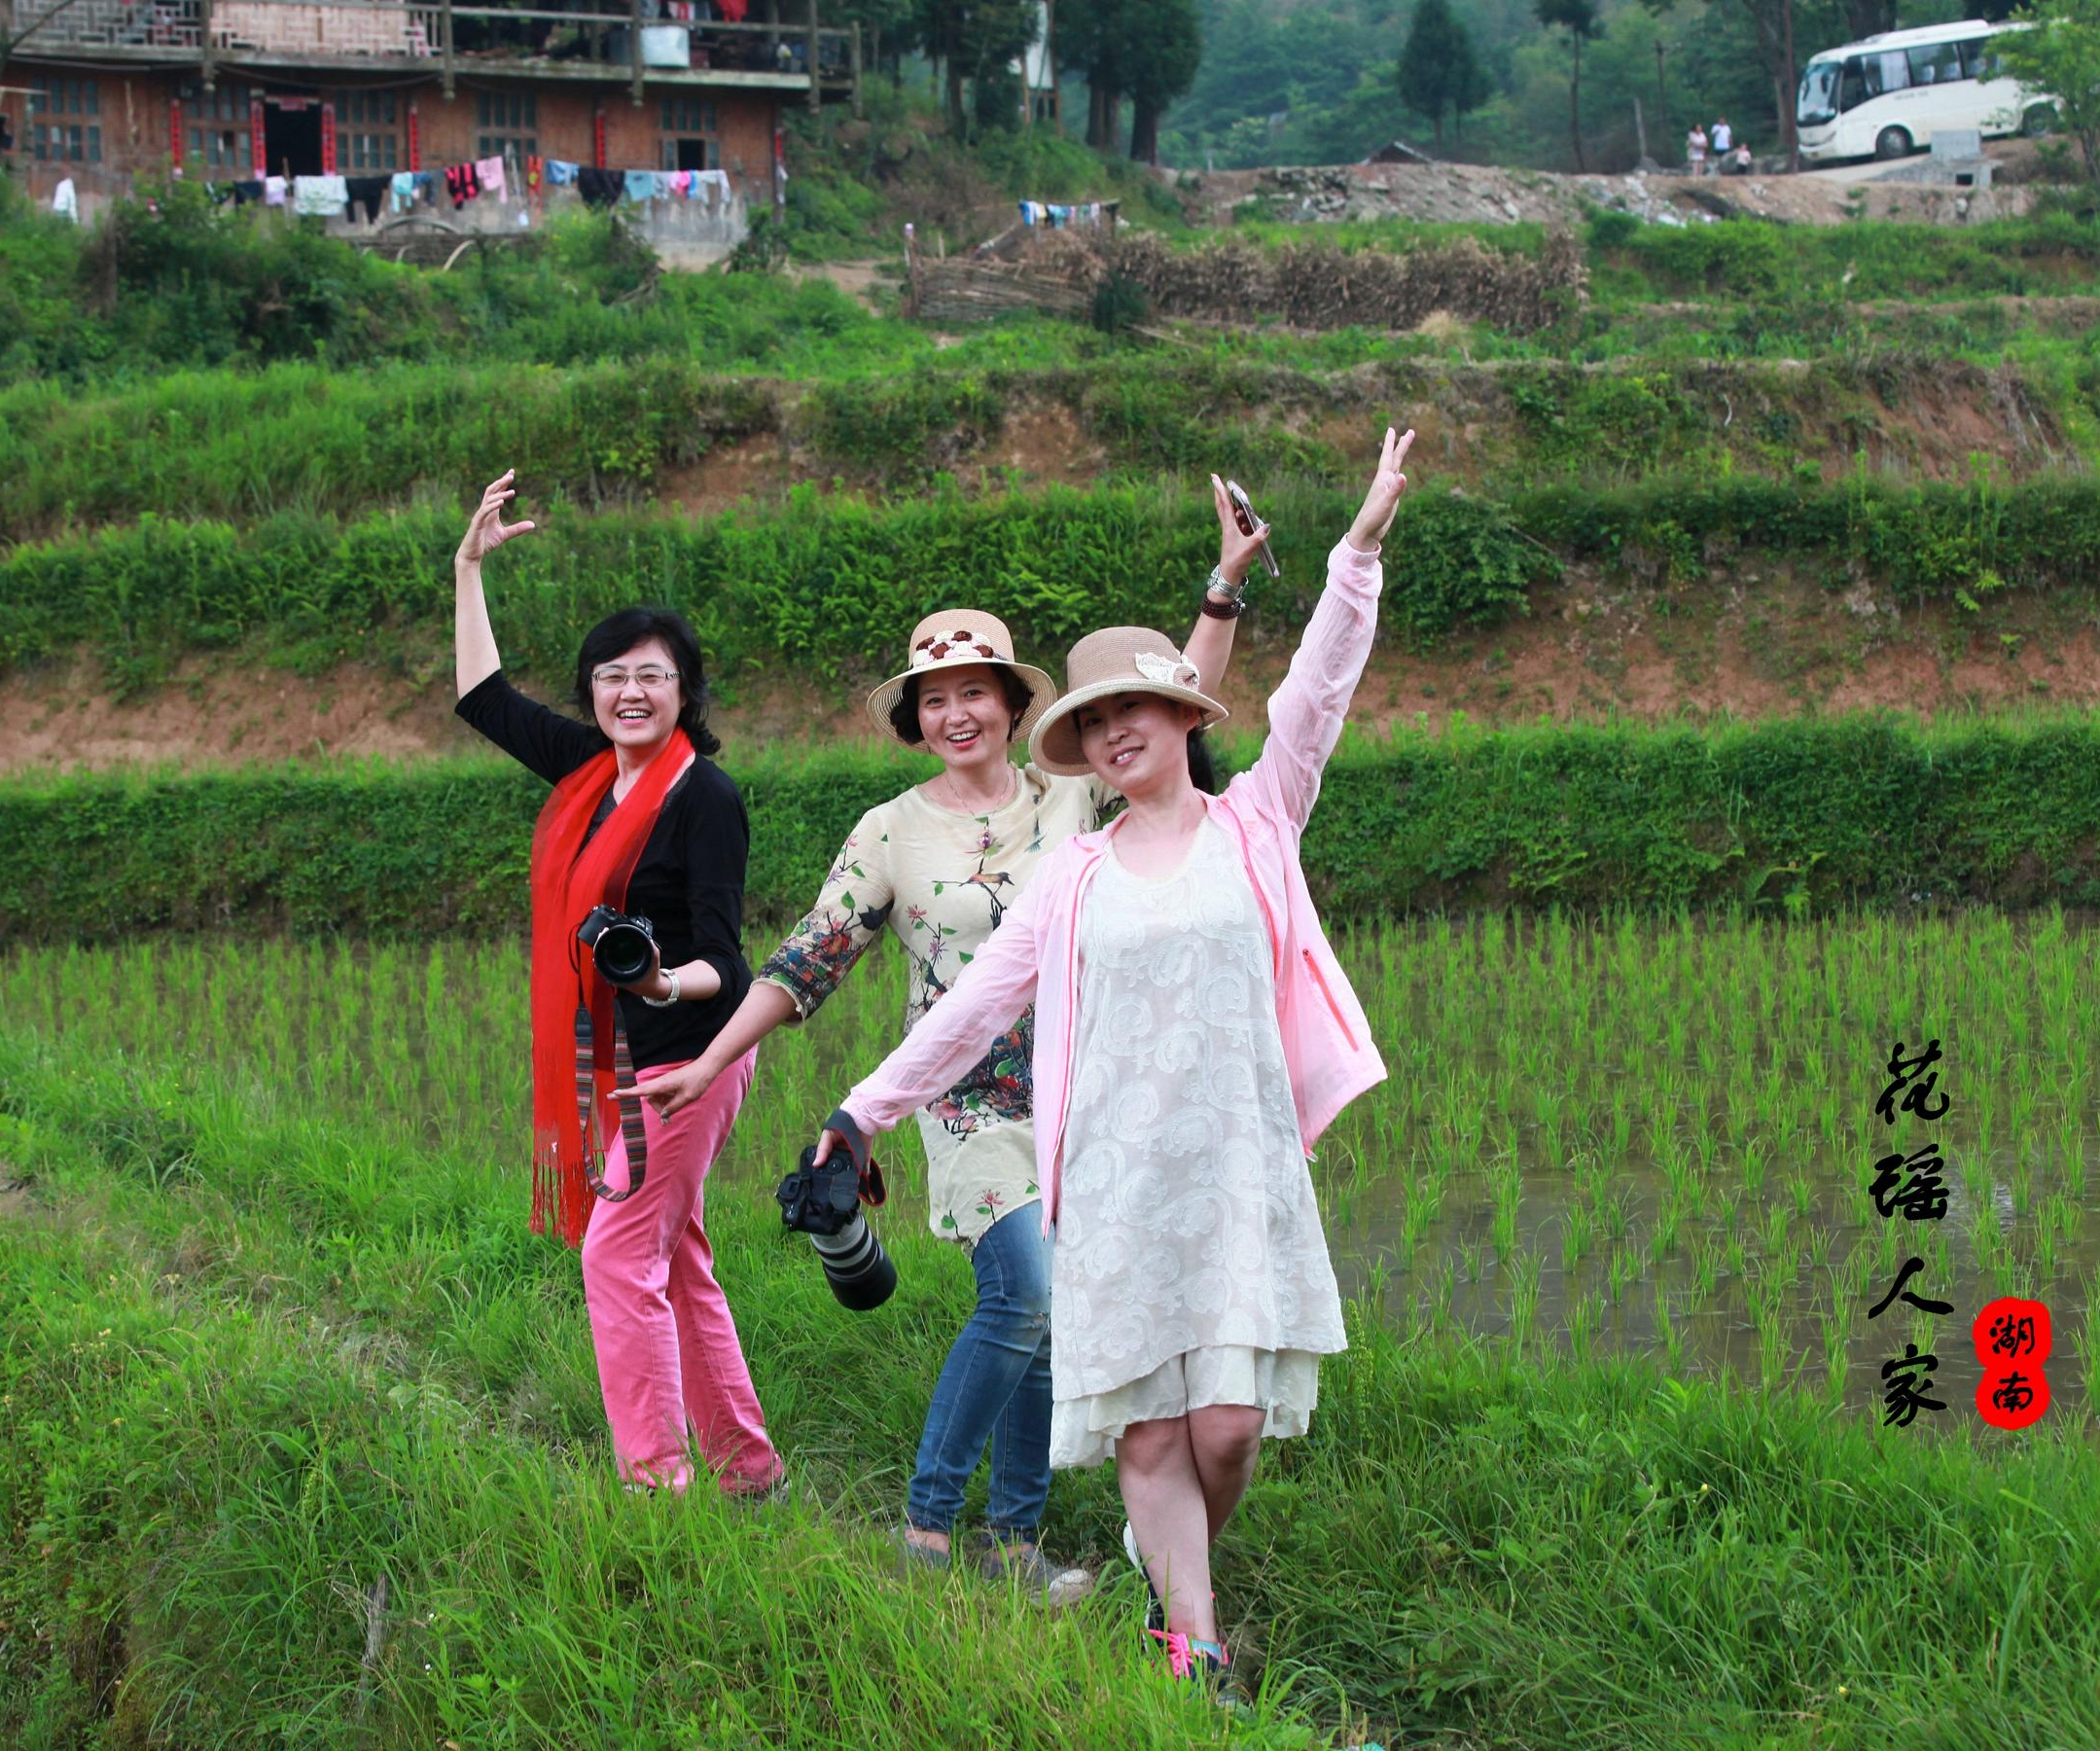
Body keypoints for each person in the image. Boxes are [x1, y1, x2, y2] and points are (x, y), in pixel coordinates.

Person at [807, 429, 1417, 1693]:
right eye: (1095, 721)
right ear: (1081, 747)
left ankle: (1165, 1567)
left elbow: (1317, 692)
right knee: (1149, 1431)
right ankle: (1195, 1648)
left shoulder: (1259, 822)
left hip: (1238, 1169)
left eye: (1137, 706)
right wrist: (864, 1113)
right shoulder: (1071, 875)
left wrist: (1355, 554)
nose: (1119, 730)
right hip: (1112, 1177)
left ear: (1184, 716)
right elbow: (973, 1006)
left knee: (1228, 1428)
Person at [642, 477, 1270, 1603]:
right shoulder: (890, 830)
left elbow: (1170, 707)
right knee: (1020, 1291)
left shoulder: (1071, 797)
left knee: (1052, 1314)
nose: (956, 713)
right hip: (967, 1101)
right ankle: (928, 1523)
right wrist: (709, 1060)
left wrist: (1222, 587)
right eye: (935, 699)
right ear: (916, 718)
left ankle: (1014, 1544)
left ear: (1011, 702)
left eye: (975, 690)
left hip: (1086, 1093)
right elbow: (809, 957)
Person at [451, 468, 783, 1499]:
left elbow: (728, 962)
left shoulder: (703, 797)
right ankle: (746, 1469)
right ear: (592, 692)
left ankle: (656, 1483)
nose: (629, 693)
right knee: (675, 1260)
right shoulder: (593, 773)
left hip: (685, 1061)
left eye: (651, 676)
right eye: (610, 677)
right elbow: (483, 700)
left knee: (616, 1257)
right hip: (623, 1063)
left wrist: (659, 984)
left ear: (685, 691)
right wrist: (468, 570)